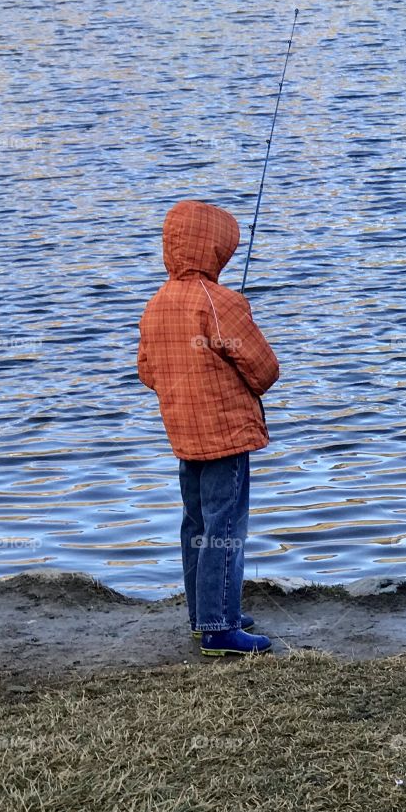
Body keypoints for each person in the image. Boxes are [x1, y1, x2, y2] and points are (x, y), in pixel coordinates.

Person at [137, 199, 279, 655]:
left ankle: (204, 614)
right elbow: (263, 368)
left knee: (196, 522)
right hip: (226, 435)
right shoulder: (222, 303)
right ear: (216, 250)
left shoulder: (156, 303)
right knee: (225, 526)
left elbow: (146, 370)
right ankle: (220, 627)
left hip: (184, 434)